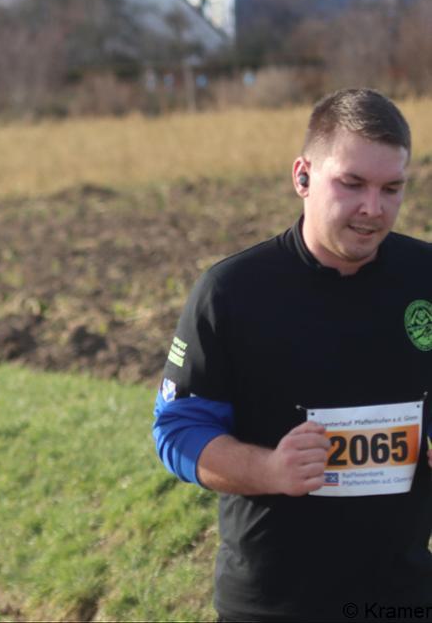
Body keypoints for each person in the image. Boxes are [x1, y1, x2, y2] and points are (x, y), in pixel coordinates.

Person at [153, 88, 432, 620]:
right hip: (274, 602)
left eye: (391, 188)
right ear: (303, 176)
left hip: (404, 597)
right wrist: (270, 469)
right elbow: (177, 430)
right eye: (351, 184)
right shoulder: (231, 291)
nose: (373, 209)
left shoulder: (427, 278)